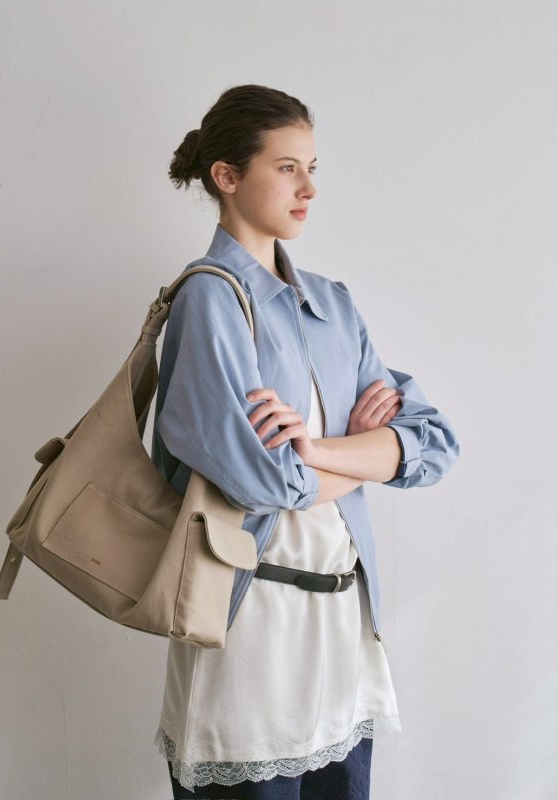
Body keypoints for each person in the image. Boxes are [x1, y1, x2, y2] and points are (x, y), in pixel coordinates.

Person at [151, 84, 460, 800]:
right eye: (287, 167)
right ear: (227, 176)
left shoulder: (333, 303)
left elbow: (433, 442)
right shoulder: (210, 299)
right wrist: (364, 451)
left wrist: (318, 451)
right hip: (252, 629)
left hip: (345, 628)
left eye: (312, 168)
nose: (309, 188)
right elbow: (264, 481)